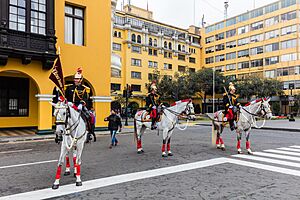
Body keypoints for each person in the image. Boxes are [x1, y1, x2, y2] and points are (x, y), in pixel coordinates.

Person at [64, 67, 94, 143]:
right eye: (75, 79)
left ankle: (89, 132)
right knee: (62, 116)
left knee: (90, 117)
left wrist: (81, 104)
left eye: (77, 79)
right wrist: (67, 102)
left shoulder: (84, 88)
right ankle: (62, 132)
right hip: (70, 105)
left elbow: (85, 98)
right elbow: (65, 97)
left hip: (80, 106)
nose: (76, 80)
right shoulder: (69, 87)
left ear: (81, 80)